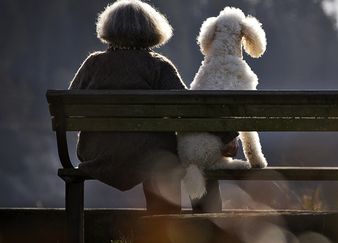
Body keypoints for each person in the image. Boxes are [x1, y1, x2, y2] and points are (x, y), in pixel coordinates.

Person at [69, 0, 238, 213]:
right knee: (186, 161)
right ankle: (204, 229)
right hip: (150, 158)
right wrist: (226, 136)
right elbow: (190, 110)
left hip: (96, 155)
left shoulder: (92, 64)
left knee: (158, 155)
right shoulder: (157, 66)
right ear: (151, 30)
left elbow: (72, 105)